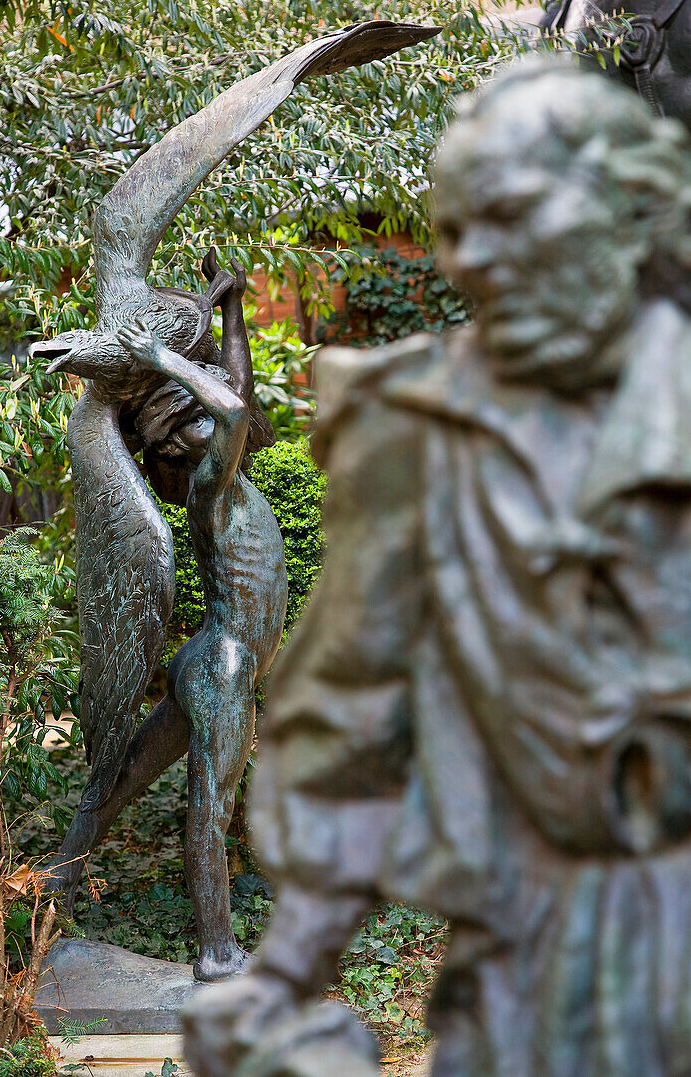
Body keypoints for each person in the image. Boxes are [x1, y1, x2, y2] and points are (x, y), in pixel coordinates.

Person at [184, 59, 691, 1074]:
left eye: (508, 216)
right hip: (523, 967)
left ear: (626, 210)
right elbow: (349, 720)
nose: (470, 259)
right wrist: (282, 980)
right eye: (455, 227)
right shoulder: (414, 429)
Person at [52, 257, 288, 982]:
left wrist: (234, 311)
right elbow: (234, 411)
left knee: (123, 778)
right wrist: (159, 357)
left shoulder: (224, 475)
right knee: (208, 809)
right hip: (225, 663)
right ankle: (218, 953)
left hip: (207, 658)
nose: (200, 428)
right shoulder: (210, 489)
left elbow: (236, 398)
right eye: (181, 429)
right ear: (173, 451)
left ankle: (58, 876)